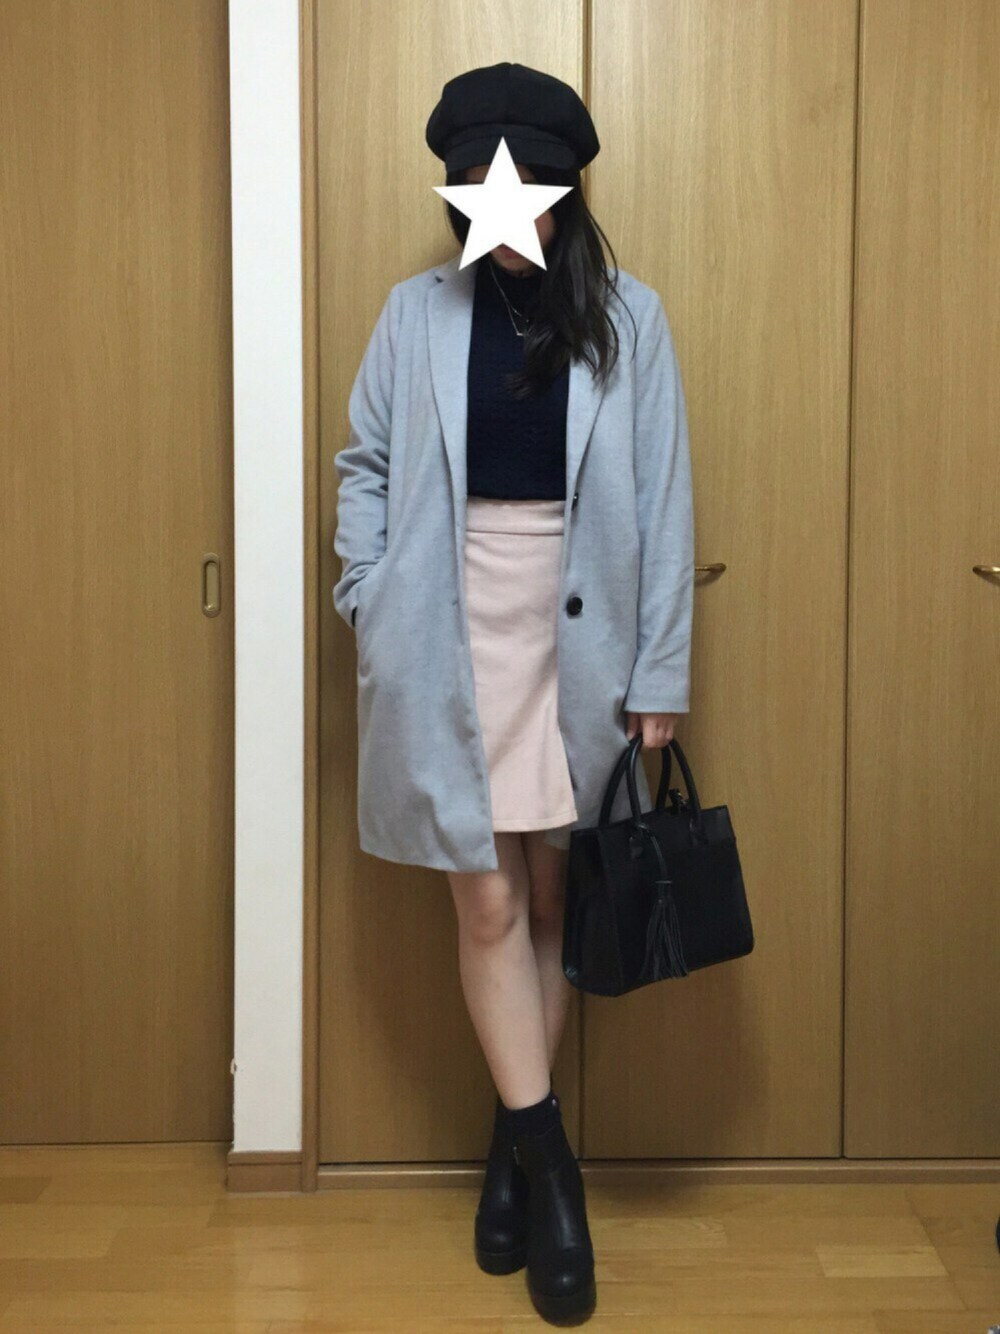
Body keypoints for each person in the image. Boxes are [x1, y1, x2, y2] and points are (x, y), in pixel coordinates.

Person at [333, 62, 694, 1326]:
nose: (499, 215)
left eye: (524, 188)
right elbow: (365, 463)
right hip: (446, 622)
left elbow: (663, 498)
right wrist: (368, 589)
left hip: (579, 632)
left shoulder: (630, 318)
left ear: (561, 191)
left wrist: (659, 670)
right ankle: (556, 1178)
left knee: (553, 897)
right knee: (485, 898)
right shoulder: (414, 314)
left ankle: (508, 1153)